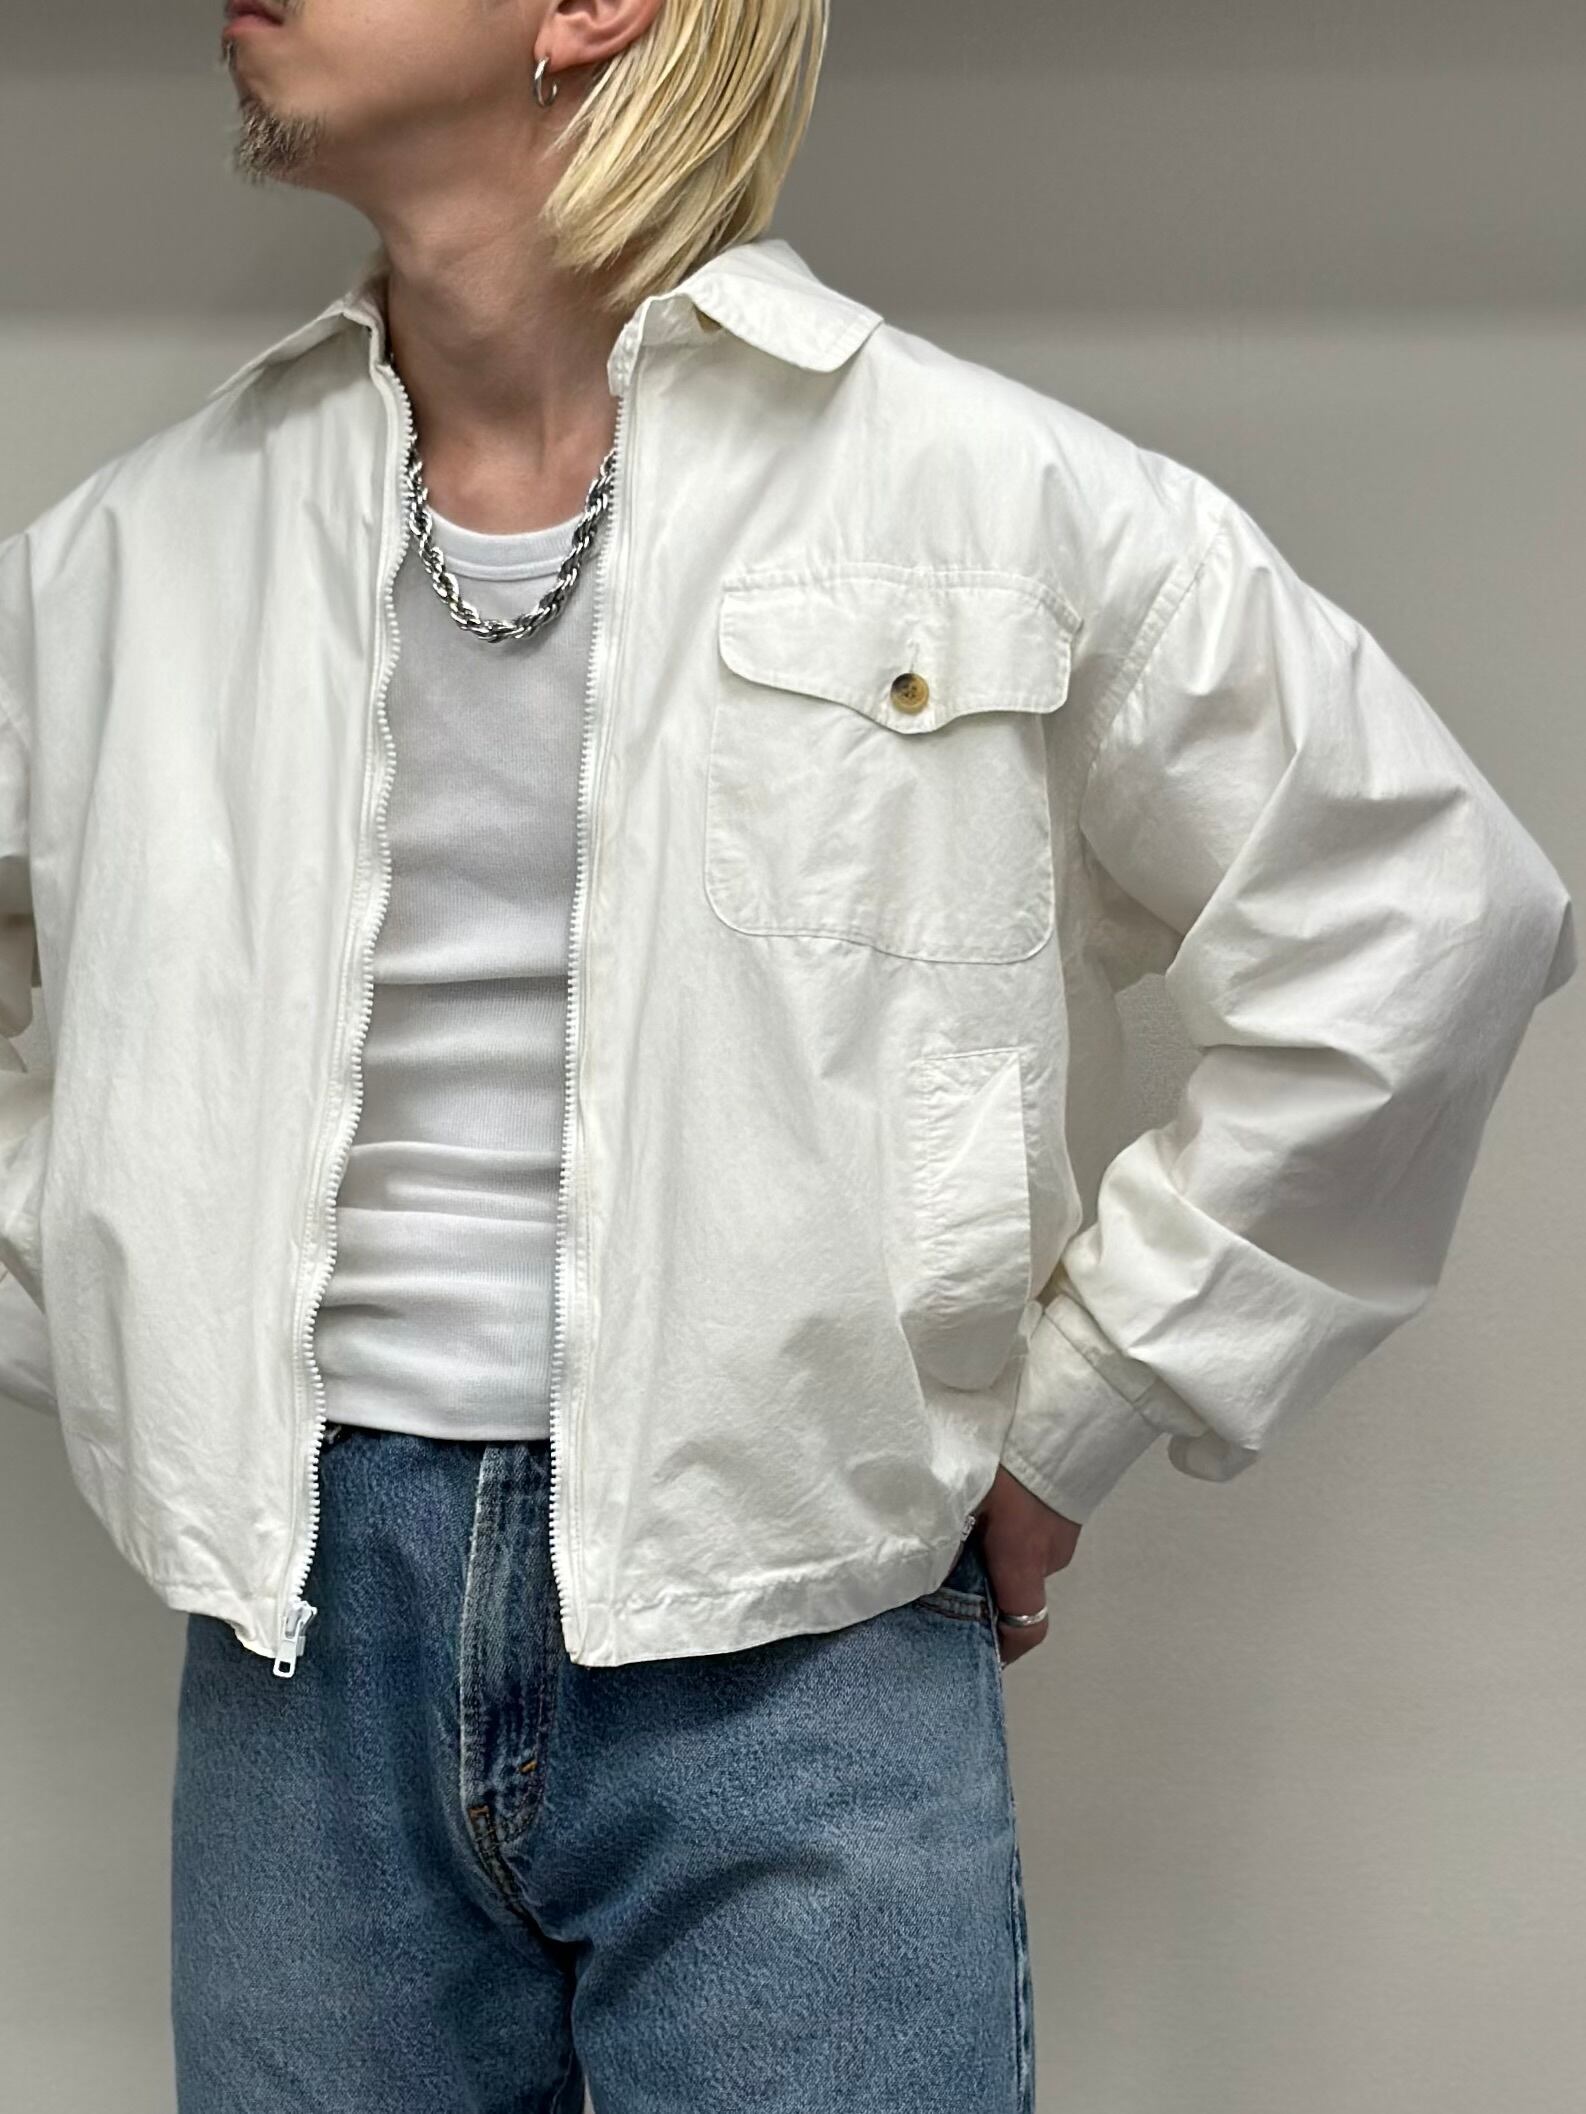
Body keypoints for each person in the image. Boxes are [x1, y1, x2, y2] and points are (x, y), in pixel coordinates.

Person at [0, 0, 1572, 2106]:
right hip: (299, 1642)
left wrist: (1091, 1405)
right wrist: (112, 1279)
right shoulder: (136, 556)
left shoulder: (976, 497)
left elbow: (1421, 916)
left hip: (803, 1631)